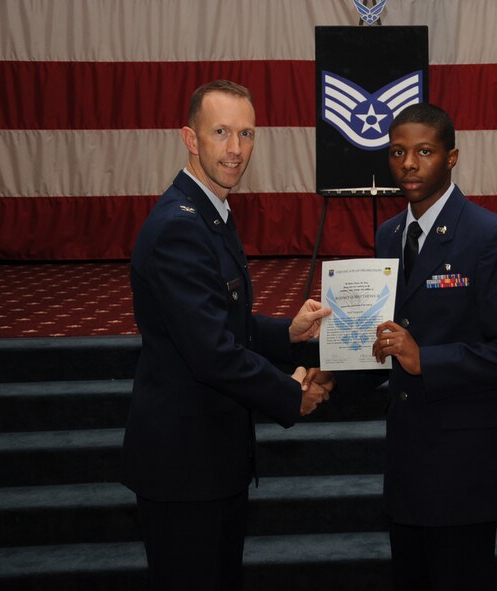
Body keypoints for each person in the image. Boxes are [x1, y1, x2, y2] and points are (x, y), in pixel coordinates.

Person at [308, 103, 497, 590]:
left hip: (465, 462)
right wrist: (337, 370)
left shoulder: (491, 236)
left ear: (451, 157)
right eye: (398, 152)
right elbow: (385, 341)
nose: (409, 164)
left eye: (424, 152)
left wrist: (427, 359)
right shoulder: (389, 233)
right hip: (407, 457)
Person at [121, 79, 332, 590]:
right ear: (190, 139)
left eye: (247, 134)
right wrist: (290, 394)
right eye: (221, 132)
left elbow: (225, 322)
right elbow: (213, 353)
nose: (236, 149)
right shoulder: (181, 226)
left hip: (209, 461)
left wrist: (290, 333)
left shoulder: (210, 212)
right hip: (184, 471)